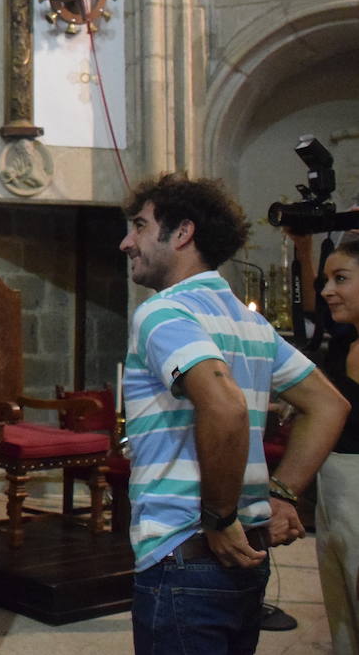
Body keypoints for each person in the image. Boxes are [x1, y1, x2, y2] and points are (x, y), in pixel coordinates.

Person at [119, 173, 349, 654]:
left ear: (182, 233)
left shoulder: (164, 312)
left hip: (186, 552)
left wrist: (219, 517)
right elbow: (328, 404)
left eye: (139, 226)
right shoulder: (250, 321)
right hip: (245, 555)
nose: (127, 242)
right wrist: (283, 494)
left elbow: (224, 405)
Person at [316, 237, 359, 653]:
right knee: (341, 609)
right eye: (326, 279)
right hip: (333, 488)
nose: (328, 290)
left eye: (340, 278)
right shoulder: (344, 345)